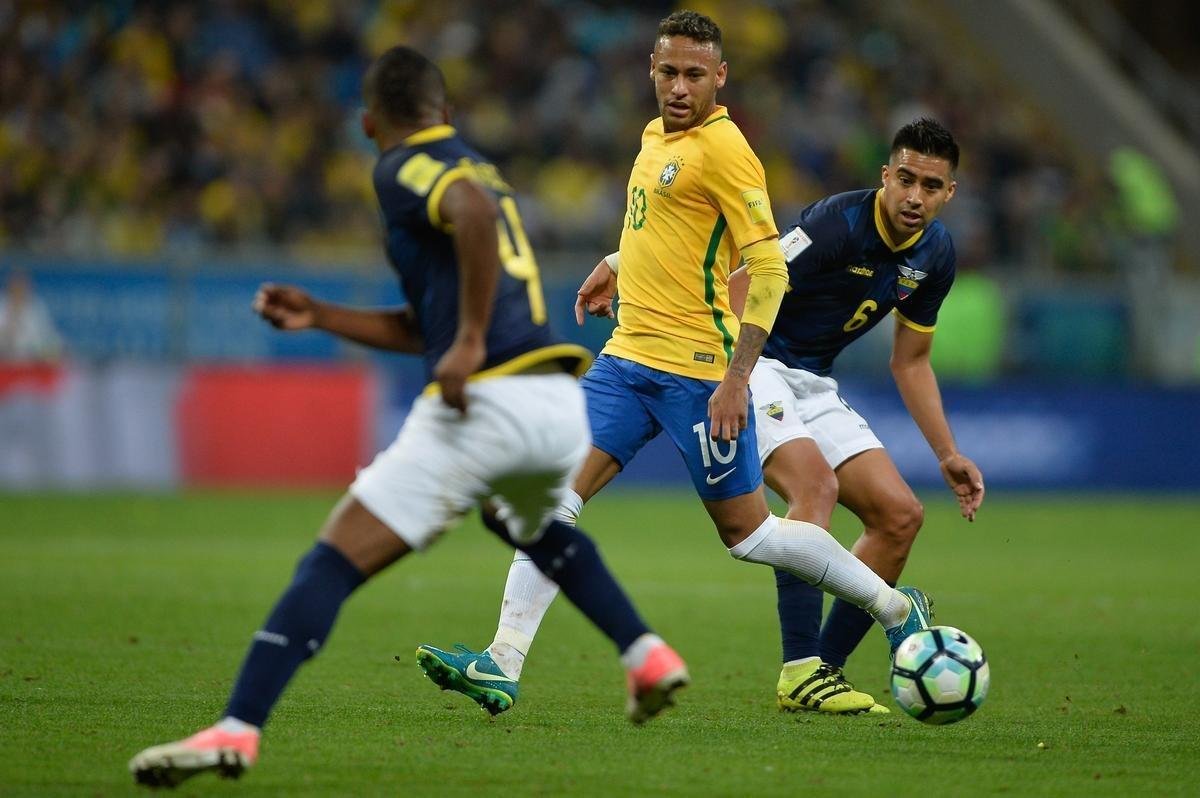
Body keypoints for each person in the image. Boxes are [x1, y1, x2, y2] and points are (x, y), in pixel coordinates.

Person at [128, 46, 690, 789]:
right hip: (550, 396)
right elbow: (427, 319)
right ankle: (644, 652)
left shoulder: (405, 167)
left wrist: (467, 342)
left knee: (331, 560)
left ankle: (236, 729)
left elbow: (470, 217)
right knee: (525, 524)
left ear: (369, 124)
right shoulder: (480, 166)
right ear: (446, 112)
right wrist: (321, 314)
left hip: (488, 397)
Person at [414, 10, 931, 719]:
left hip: (697, 372)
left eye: (694, 74)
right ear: (651, 72)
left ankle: (893, 607)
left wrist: (737, 379)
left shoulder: (727, 151)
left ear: (721, 77)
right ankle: (502, 662)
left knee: (750, 536)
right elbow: (670, 230)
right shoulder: (656, 136)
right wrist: (616, 261)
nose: (679, 87)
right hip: (626, 360)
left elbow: (768, 269)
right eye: (668, 72)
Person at [730, 118, 984, 713]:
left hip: (813, 381)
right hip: (753, 361)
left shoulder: (935, 253)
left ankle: (824, 671)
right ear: (885, 176)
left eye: (931, 186)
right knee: (814, 488)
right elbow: (741, 288)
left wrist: (947, 453)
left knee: (899, 517)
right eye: (906, 179)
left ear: (949, 193)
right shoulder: (835, 223)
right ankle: (798, 668)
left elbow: (911, 361)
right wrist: (733, 377)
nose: (915, 196)